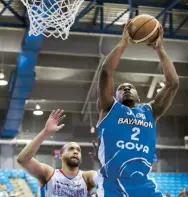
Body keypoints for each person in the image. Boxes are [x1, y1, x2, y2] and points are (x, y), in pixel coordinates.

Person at [95, 21, 179, 197]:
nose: (126, 88)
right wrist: (123, 42)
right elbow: (105, 72)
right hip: (113, 186)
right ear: (114, 97)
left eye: (129, 87)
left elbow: (173, 83)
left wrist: (160, 49)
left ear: (139, 97)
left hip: (144, 187)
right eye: (121, 88)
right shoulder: (109, 108)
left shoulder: (150, 111)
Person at [17, 109, 97, 197]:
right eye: (71, 149)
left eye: (78, 150)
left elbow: (104, 179)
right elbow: (23, 159)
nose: (75, 152)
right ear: (61, 155)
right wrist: (45, 132)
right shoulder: (49, 174)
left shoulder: (87, 177)